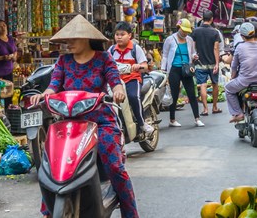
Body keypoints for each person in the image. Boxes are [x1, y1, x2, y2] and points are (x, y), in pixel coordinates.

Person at [28, 15, 137, 218]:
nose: (68, 44)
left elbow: (115, 80)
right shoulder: (63, 61)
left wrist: (119, 90)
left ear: (86, 39)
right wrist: (44, 95)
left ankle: (131, 213)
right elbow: (53, 85)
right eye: (66, 40)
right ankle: (48, 211)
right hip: (68, 123)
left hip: (100, 121)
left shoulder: (104, 58)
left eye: (72, 40)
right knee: (52, 165)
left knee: (114, 165)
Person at [109, 22, 154, 135]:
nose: (119, 37)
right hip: (116, 81)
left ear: (129, 35)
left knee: (133, 96)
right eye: (117, 34)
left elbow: (145, 66)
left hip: (132, 79)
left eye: (122, 34)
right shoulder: (111, 50)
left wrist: (138, 66)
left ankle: (142, 123)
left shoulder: (135, 48)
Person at [161, 19, 203, 127]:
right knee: (174, 95)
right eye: (183, 30)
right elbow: (165, 55)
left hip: (187, 69)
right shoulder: (170, 40)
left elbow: (192, 52)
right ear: (178, 28)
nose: (185, 33)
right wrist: (163, 70)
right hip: (174, 69)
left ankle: (197, 118)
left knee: (192, 94)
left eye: (187, 31)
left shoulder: (189, 40)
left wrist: (194, 56)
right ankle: (172, 119)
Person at [189, 11, 223, 116]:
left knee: (202, 85)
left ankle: (205, 109)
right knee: (215, 84)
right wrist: (217, 63)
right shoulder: (215, 32)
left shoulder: (195, 31)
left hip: (200, 63)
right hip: (212, 63)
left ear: (202, 18)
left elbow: (192, 46)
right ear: (212, 19)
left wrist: (194, 56)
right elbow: (216, 48)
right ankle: (215, 107)